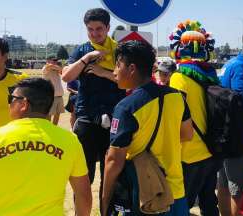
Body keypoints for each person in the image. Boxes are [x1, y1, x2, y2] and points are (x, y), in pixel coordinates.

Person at [0, 78, 92, 216]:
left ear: (24, 104)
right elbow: (84, 195)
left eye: (11, 99)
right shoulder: (69, 140)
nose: (8, 104)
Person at [101, 40, 193, 216]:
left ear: (132, 68)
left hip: (144, 194)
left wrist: (105, 201)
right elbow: (187, 134)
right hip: (176, 191)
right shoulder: (176, 97)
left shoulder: (126, 107)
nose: (114, 72)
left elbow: (114, 160)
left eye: (117, 65)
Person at [62, 8, 126, 204]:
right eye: (90, 29)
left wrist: (102, 72)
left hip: (115, 119)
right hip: (86, 117)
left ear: (108, 28)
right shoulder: (82, 50)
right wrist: (87, 59)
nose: (95, 34)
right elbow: (66, 76)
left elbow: (129, 81)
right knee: (83, 176)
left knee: (110, 177)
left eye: (99, 29)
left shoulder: (120, 51)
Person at [169, 20, 221, 215]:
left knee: (183, 205)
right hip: (212, 151)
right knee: (209, 203)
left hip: (189, 154)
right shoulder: (211, 75)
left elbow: (175, 116)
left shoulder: (179, 77)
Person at [217, 38, 243, 216]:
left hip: (228, 137)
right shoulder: (241, 70)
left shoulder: (231, 65)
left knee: (224, 185)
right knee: (236, 191)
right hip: (241, 140)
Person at [41, 56, 65, 125]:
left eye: (56, 60)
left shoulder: (56, 69)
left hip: (59, 95)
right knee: (49, 115)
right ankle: (48, 129)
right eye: (53, 60)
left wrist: (59, 68)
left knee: (57, 115)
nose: (55, 62)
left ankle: (54, 128)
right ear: (48, 61)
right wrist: (58, 67)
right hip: (51, 96)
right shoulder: (46, 68)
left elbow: (63, 71)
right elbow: (50, 66)